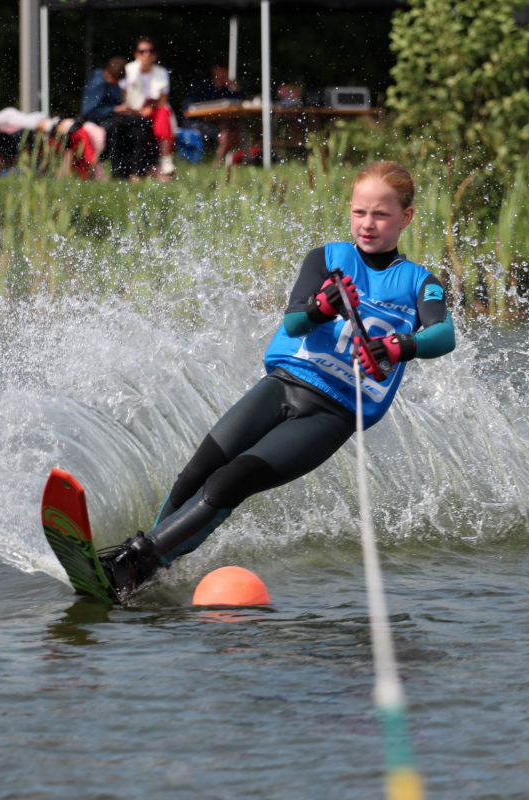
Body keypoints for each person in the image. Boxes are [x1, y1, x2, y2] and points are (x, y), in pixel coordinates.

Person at [98, 161, 457, 601]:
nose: (368, 224)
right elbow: (293, 325)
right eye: (360, 212)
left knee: (233, 481)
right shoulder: (329, 259)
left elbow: (443, 334)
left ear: (406, 216)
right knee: (197, 472)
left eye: (381, 215)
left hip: (332, 414)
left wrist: (402, 345)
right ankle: (146, 566)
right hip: (283, 385)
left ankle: (134, 561)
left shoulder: (419, 281)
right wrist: (322, 309)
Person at [121, 36, 176, 179]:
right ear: (136, 54)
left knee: (164, 112)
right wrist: (137, 111)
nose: (146, 54)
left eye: (150, 51)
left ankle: (165, 159)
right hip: (133, 111)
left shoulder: (161, 72)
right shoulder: (128, 70)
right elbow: (123, 98)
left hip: (154, 110)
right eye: (142, 51)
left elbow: (163, 100)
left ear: (155, 54)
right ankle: (162, 162)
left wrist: (150, 107)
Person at [183, 59, 243, 165]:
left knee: (234, 128)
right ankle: (217, 163)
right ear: (214, 70)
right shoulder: (202, 86)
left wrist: (235, 88)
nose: (223, 72)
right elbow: (188, 108)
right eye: (220, 69)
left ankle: (244, 159)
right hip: (199, 124)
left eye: (225, 69)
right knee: (227, 133)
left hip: (218, 124)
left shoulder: (228, 90)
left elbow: (240, 102)